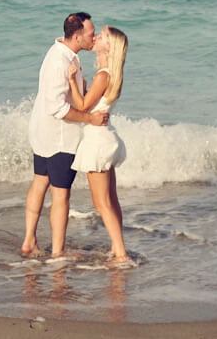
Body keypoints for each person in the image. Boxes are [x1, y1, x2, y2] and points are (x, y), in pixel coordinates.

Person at [22, 12, 107, 258]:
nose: (94, 38)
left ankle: (29, 240)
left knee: (40, 182)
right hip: (58, 137)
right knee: (61, 194)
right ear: (78, 36)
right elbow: (58, 108)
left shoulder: (61, 52)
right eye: (91, 35)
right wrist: (90, 119)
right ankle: (57, 252)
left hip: (42, 132)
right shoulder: (61, 61)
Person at [66, 25, 131, 264]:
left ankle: (121, 253)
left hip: (97, 140)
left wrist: (72, 80)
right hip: (106, 137)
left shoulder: (103, 75)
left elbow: (82, 106)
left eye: (102, 36)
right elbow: (93, 102)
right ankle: (117, 247)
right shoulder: (109, 75)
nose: (97, 37)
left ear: (109, 47)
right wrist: (83, 85)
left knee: (101, 202)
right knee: (111, 199)